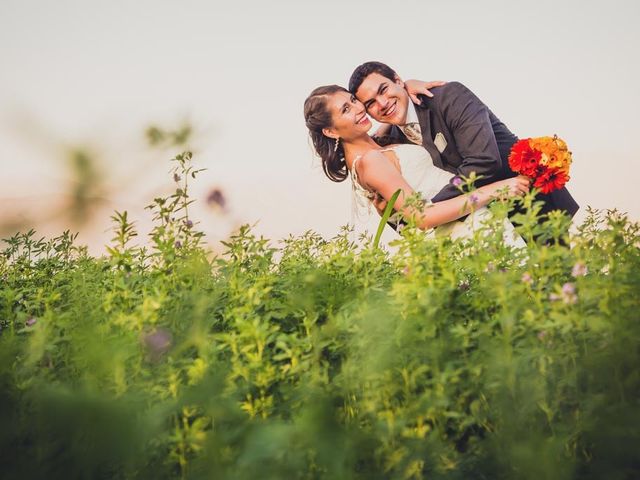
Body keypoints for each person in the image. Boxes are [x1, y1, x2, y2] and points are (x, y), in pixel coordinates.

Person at [303, 85, 530, 246]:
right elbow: (421, 217)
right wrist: (494, 189)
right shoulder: (370, 162)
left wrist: (405, 88)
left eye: (353, 100)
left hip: (476, 223)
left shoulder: (375, 149)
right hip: (469, 233)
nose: (358, 108)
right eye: (345, 110)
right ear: (330, 131)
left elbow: (395, 123)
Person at [348, 61, 579, 219]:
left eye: (384, 89)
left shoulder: (448, 97)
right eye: (370, 103)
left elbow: (484, 161)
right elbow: (399, 205)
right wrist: (401, 216)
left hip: (532, 206)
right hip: (480, 227)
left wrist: (432, 210)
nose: (382, 103)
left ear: (399, 81)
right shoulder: (394, 144)